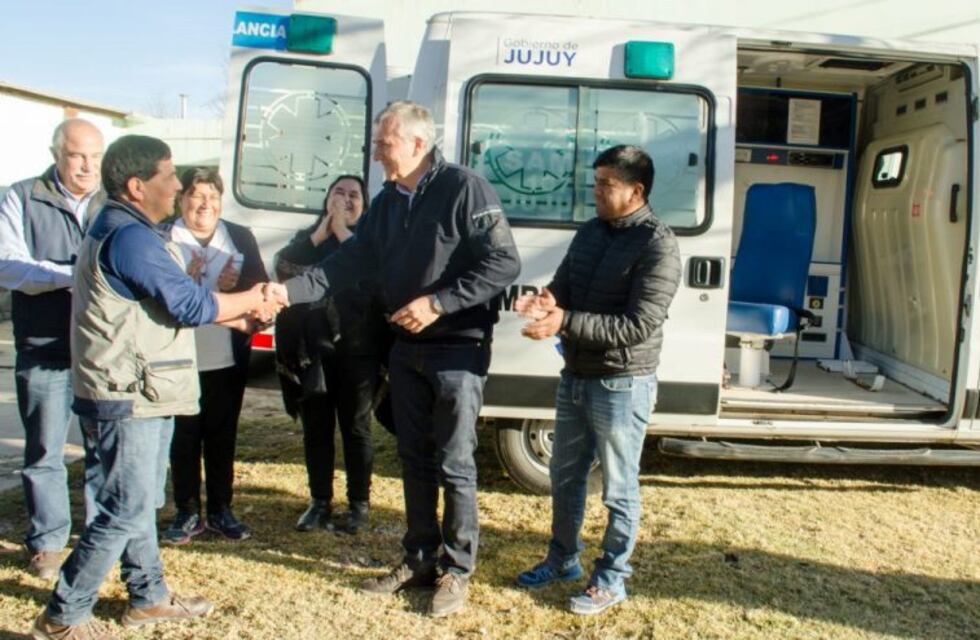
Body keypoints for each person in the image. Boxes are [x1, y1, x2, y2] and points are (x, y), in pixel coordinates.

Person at [31, 135, 285, 640]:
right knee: (126, 507)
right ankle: (64, 613)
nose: (177, 186)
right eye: (169, 176)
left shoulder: (128, 229)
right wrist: (252, 298)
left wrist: (235, 319)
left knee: (140, 500)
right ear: (136, 185)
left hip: (138, 388)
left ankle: (147, 597)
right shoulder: (131, 237)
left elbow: (167, 304)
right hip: (127, 393)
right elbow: (190, 304)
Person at [272, 101, 521, 617]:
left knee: (455, 462)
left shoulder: (464, 187)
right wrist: (283, 293)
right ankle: (419, 558)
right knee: (414, 459)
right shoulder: (386, 202)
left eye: (384, 141)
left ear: (415, 143)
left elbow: (504, 262)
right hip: (406, 351)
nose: (376, 150)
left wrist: (439, 302)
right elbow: (344, 264)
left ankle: (457, 570)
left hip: (458, 347)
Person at [513, 145, 681, 615]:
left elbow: (636, 326)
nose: (596, 193)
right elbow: (565, 285)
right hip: (577, 376)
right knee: (565, 477)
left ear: (636, 190)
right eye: (596, 183)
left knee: (619, 488)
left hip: (622, 384)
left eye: (605, 185)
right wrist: (545, 302)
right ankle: (563, 559)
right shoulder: (591, 232)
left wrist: (563, 320)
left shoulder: (658, 245)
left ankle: (611, 578)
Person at [0, 119, 105, 580]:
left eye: (96, 157)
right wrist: (76, 274)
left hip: (101, 349)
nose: (88, 166)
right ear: (56, 153)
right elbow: (10, 267)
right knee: (45, 449)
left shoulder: (112, 200)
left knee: (104, 448)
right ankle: (47, 542)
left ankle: (102, 536)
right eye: (78, 155)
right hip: (44, 346)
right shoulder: (21, 196)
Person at [274, 175, 388, 534]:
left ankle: (359, 505)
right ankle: (319, 502)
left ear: (364, 206)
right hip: (312, 353)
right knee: (317, 428)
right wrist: (321, 235)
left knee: (356, 426)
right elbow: (284, 269)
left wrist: (343, 233)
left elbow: (378, 280)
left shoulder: (372, 242)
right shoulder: (306, 241)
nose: (345, 199)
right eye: (338, 192)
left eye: (354, 195)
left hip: (359, 350)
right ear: (326, 199)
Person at [161, 168, 269, 545]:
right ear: (181, 200)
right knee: (184, 437)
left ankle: (223, 508)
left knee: (222, 436)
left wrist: (237, 287)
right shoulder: (162, 237)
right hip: (175, 358)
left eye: (213, 197)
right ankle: (187, 511)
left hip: (225, 355)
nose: (205, 205)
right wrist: (182, 283)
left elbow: (261, 290)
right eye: (196, 195)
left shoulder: (237, 236)